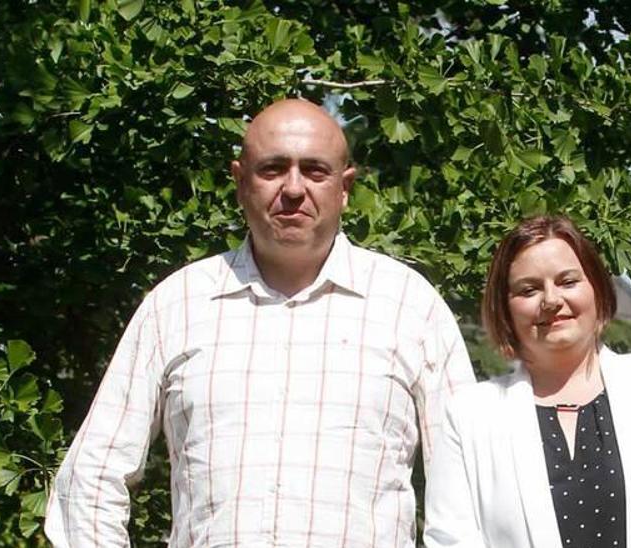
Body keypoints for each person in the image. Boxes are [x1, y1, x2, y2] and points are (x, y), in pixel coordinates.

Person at [45, 99, 476, 547]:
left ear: (344, 187)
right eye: (272, 169)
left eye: (314, 171)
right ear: (239, 181)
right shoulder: (177, 306)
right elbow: (91, 476)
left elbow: (470, 486)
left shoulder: (410, 306)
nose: (293, 188)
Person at [423, 215, 631, 547]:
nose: (551, 300)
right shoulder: (470, 415)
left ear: (597, 289)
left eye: (567, 281)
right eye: (529, 289)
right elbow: (450, 538)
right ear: (505, 308)